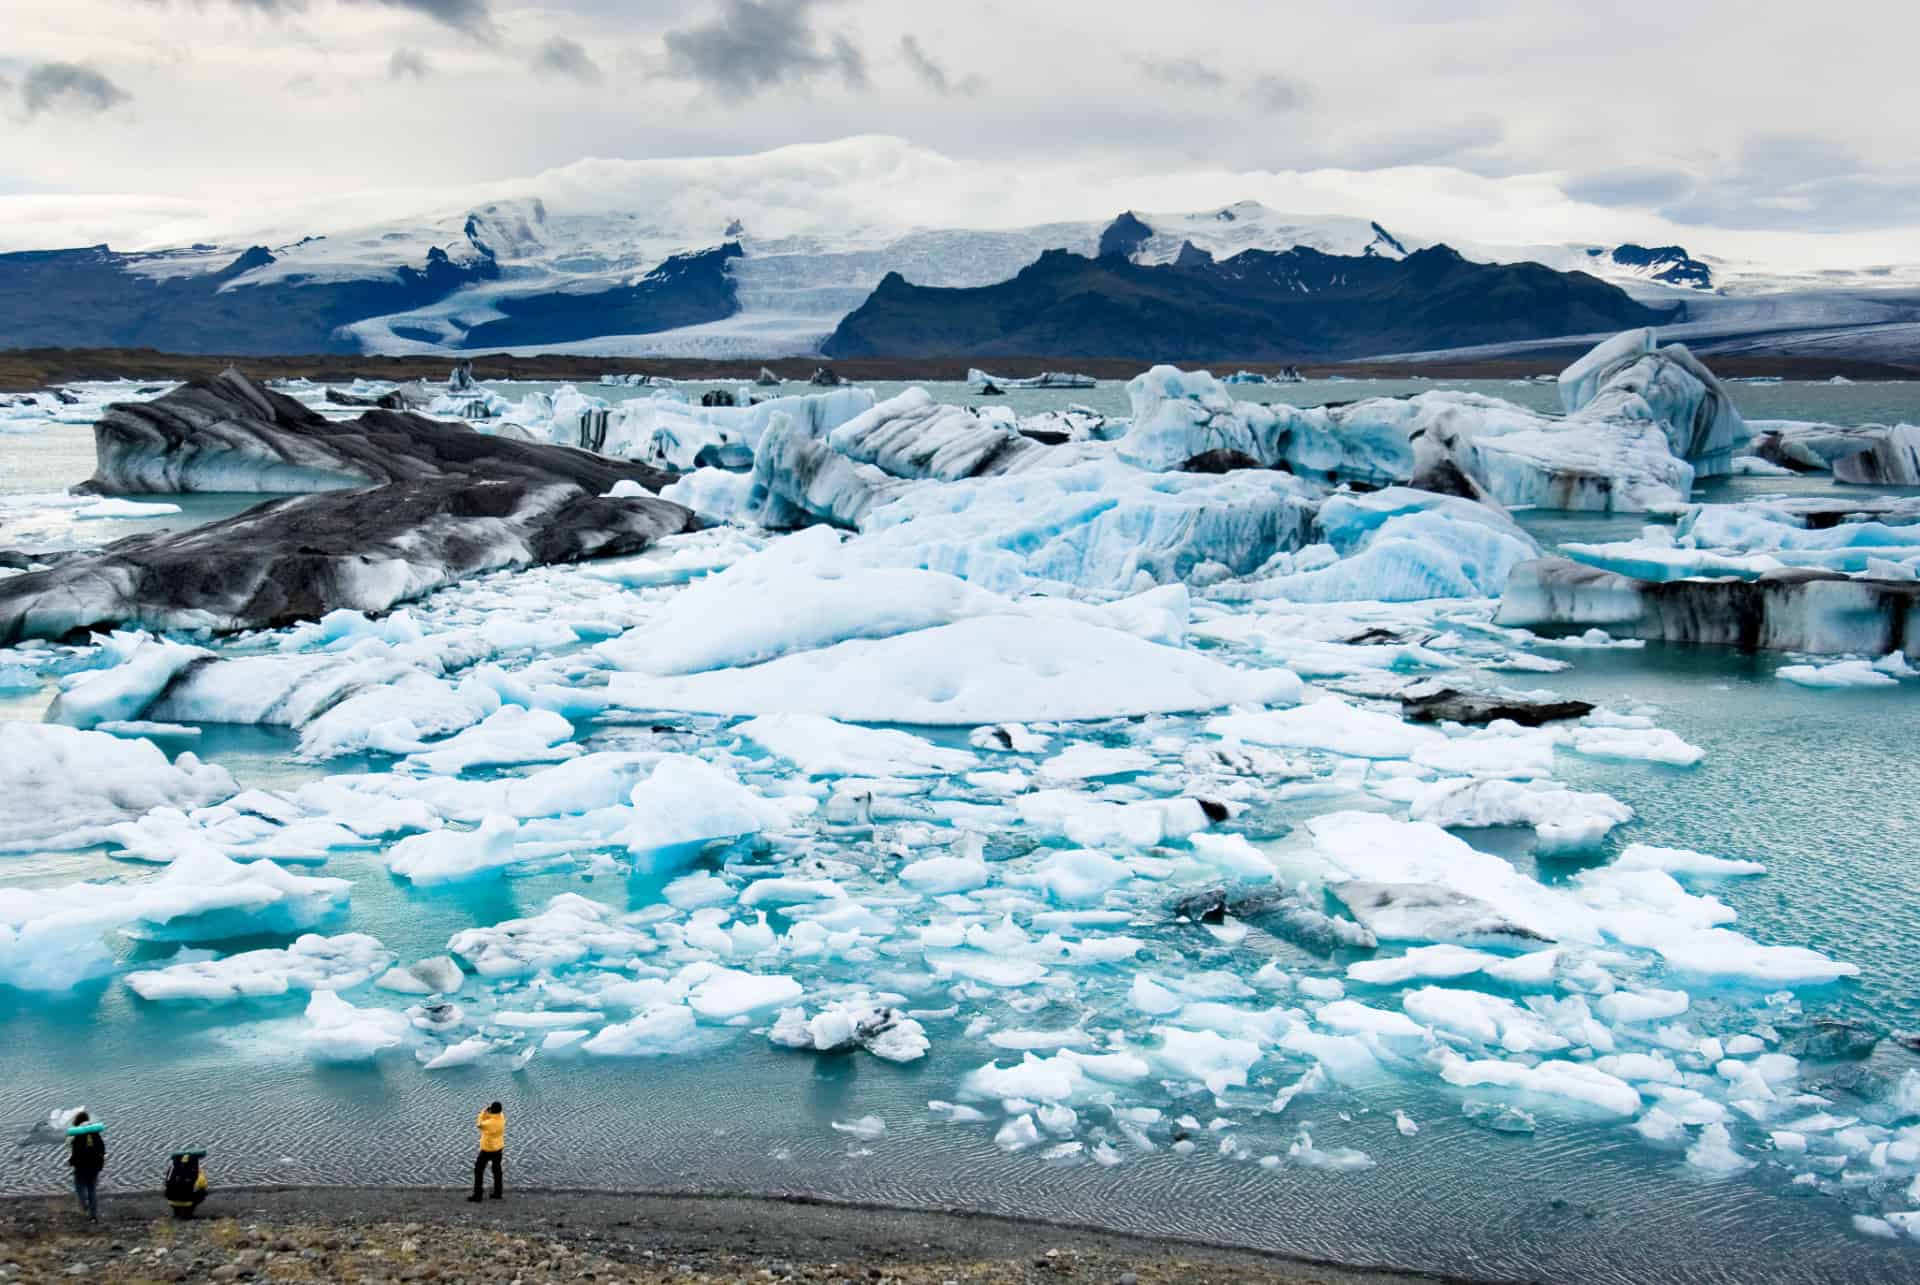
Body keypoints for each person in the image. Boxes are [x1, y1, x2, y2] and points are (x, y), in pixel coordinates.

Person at [65, 1112, 105, 1221]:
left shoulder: (77, 1135)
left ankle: (84, 1205)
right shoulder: (96, 1134)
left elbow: (76, 1153)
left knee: (79, 1188)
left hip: (81, 1167)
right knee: (92, 1190)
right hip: (95, 1166)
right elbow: (102, 1149)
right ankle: (93, 1216)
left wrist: (71, 1162)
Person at [469, 1102, 504, 1202]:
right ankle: (498, 1193)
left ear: (492, 1110)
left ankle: (477, 1195)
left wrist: (483, 1112)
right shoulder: (501, 1117)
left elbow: (479, 1124)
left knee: (478, 1171)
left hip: (487, 1150)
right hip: (499, 1148)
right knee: (497, 1171)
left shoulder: (489, 1123)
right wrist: (490, 1112)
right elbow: (492, 1116)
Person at [164, 1151, 209, 1219]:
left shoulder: (171, 1170)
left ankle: (176, 1213)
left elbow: (167, 1183)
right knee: (203, 1191)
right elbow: (204, 1185)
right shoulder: (195, 1172)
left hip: (171, 1201)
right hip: (188, 1201)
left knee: (174, 1189)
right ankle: (189, 1213)